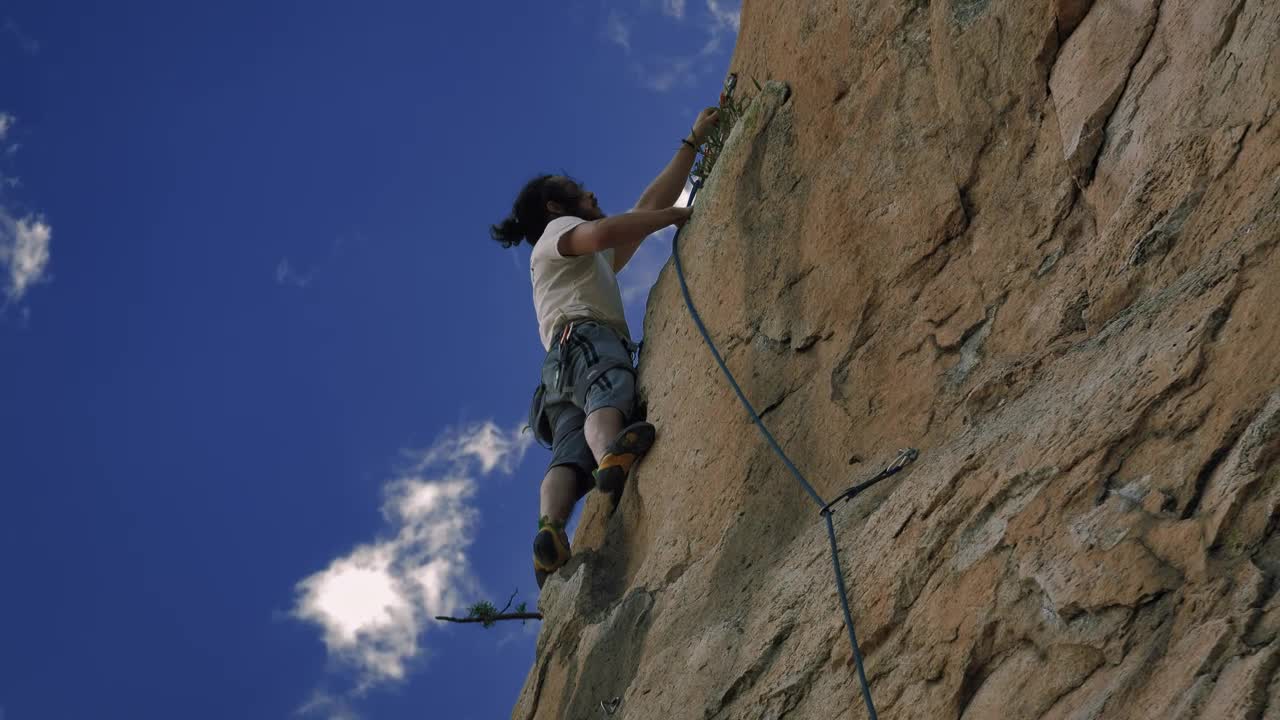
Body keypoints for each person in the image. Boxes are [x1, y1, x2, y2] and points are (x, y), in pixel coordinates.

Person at [490, 107, 720, 588]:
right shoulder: (557, 237)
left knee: (567, 456)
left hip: (555, 370)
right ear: (556, 207)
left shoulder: (582, 266)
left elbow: (641, 208)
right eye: (577, 190)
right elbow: (606, 229)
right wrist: (675, 217)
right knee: (607, 393)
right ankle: (613, 454)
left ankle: (550, 528)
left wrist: (692, 142)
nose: (591, 193)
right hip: (588, 342)